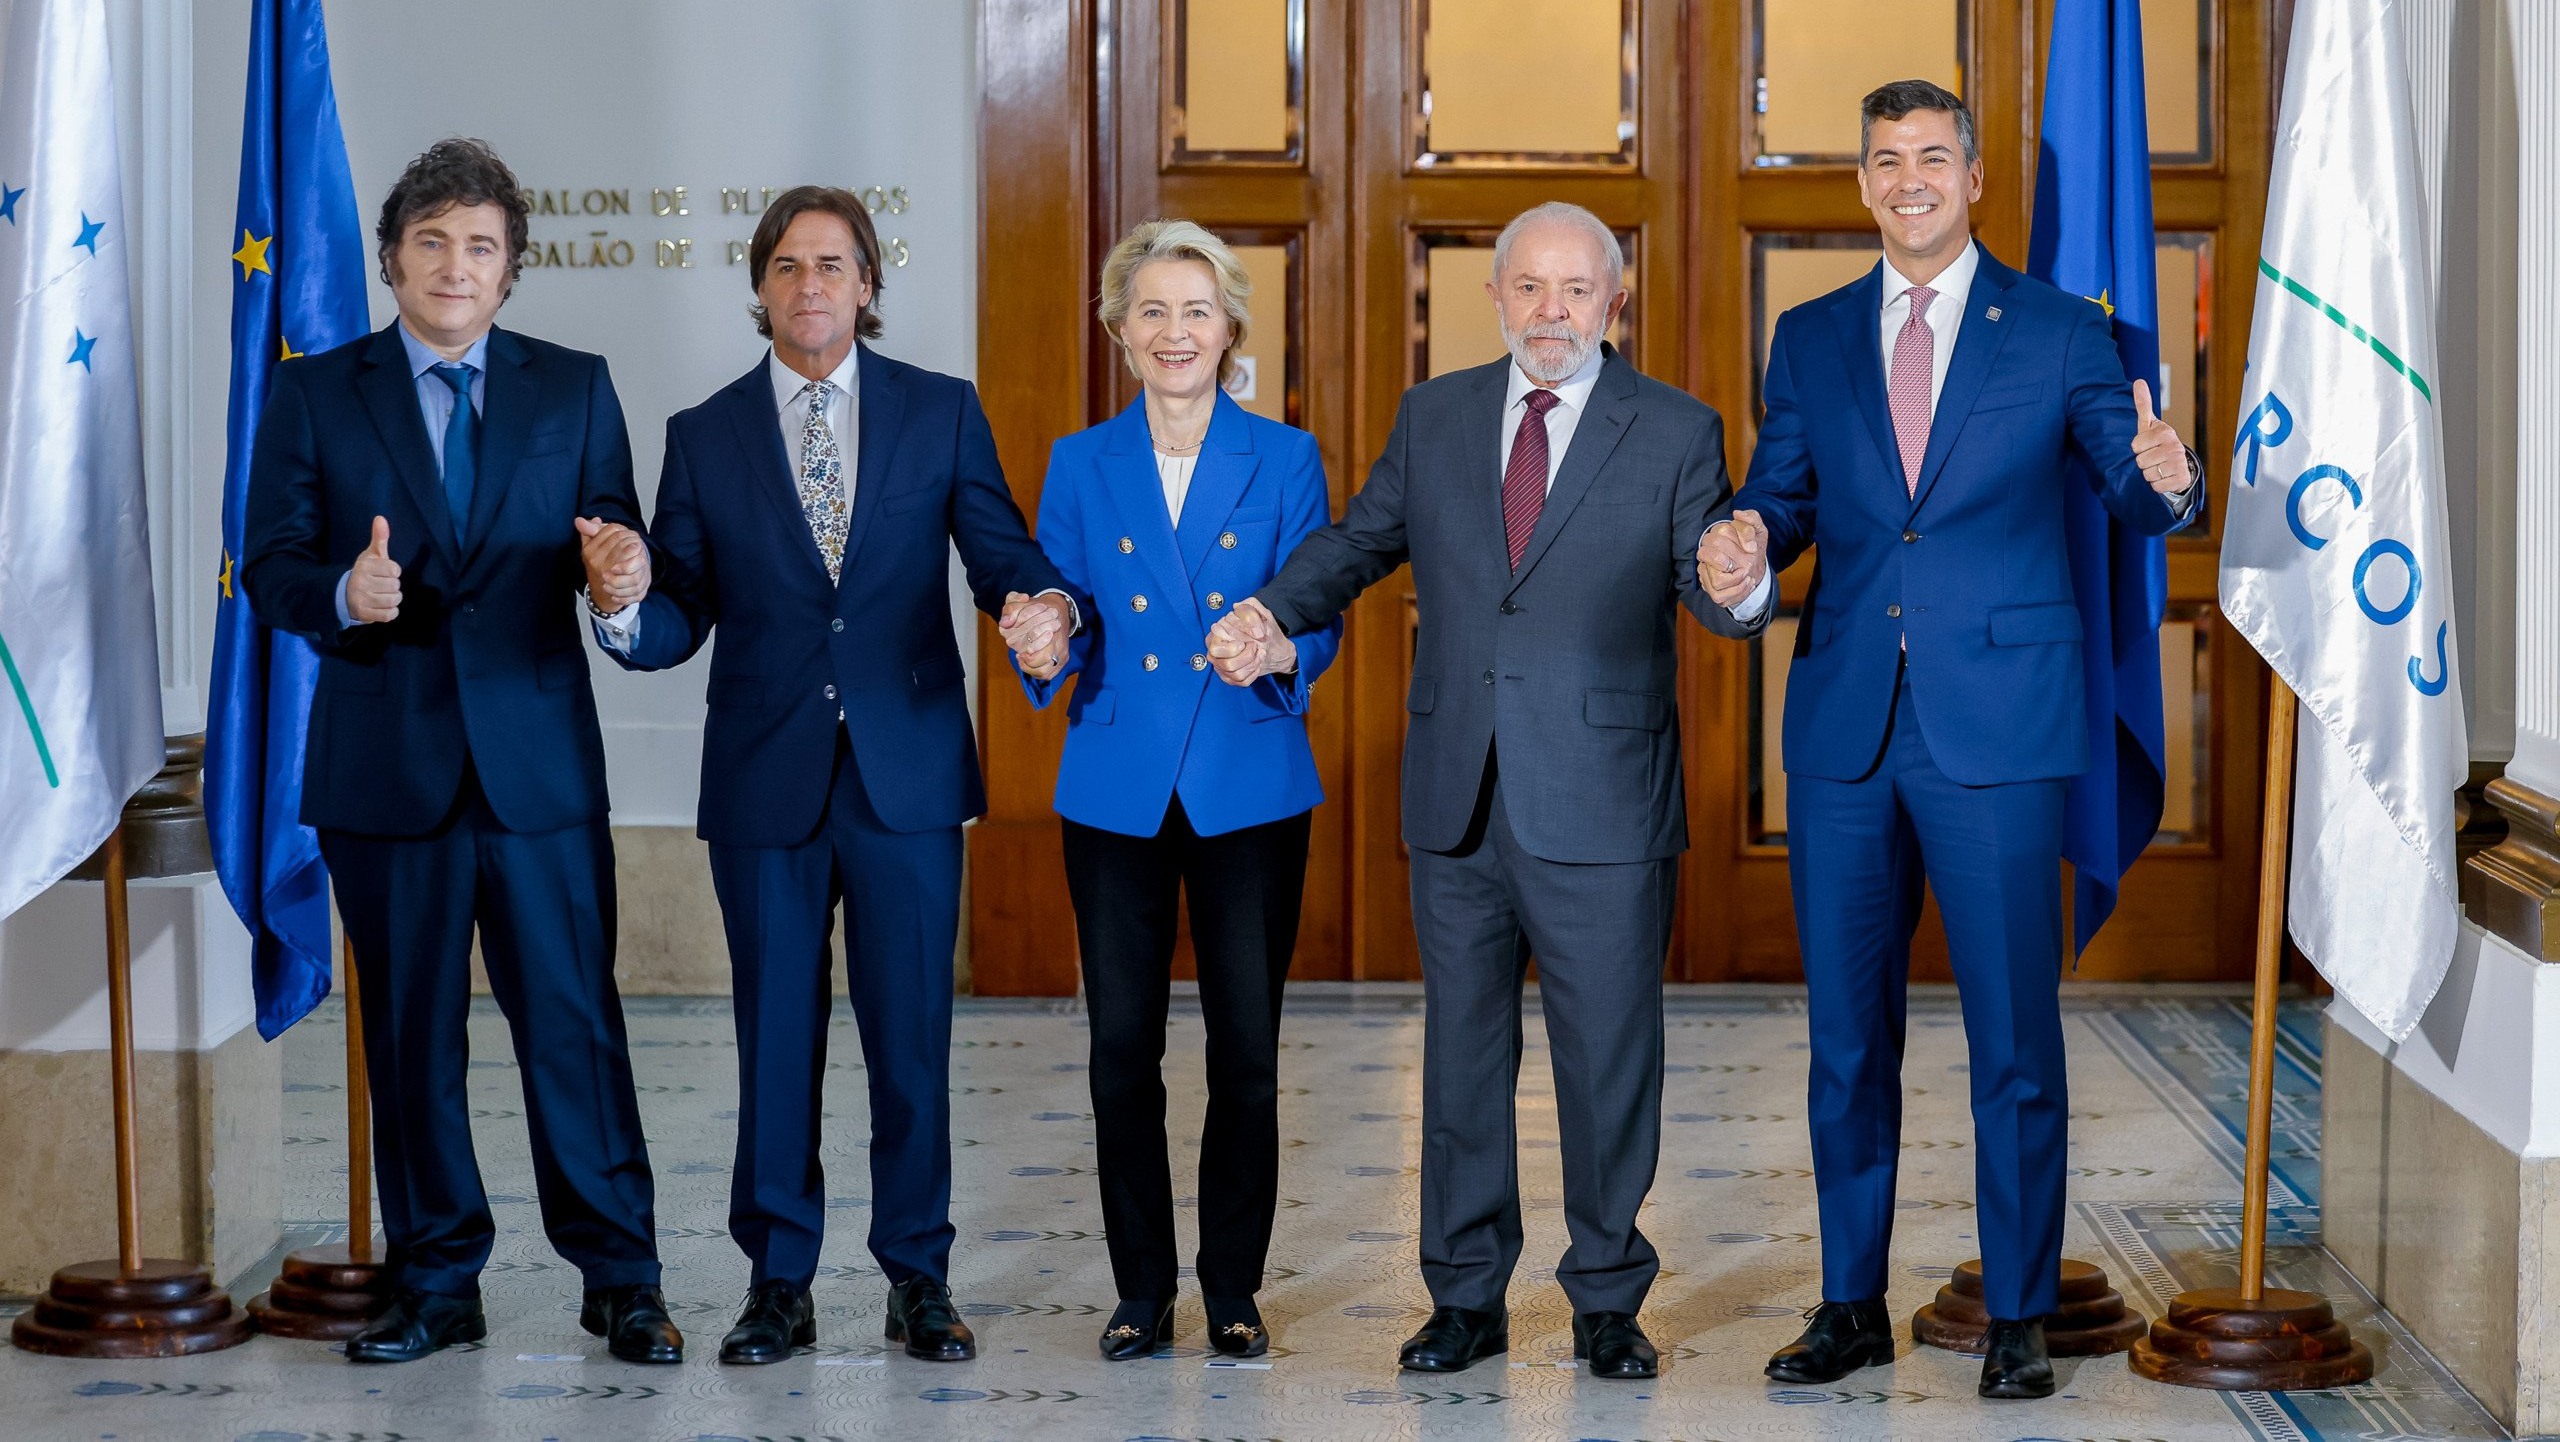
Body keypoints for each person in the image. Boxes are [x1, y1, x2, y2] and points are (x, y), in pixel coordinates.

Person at [1698, 80, 2203, 1400]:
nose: (1908, 178)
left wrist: (2168, 476)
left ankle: (2022, 1309)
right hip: (1848, 727)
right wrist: (1748, 550)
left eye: (1932, 156)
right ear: (1862, 185)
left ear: (1975, 178)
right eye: (1885, 160)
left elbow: (2127, 478)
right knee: (1846, 1037)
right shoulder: (1808, 337)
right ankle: (1849, 1300)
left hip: (2004, 726)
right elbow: (1781, 497)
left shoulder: (2058, 328)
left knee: (2012, 1034)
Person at [1209, 201, 1760, 1381]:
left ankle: (1608, 1298)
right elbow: (1359, 540)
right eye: (1528, 287)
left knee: (1607, 1060)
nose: (1550, 311)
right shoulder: (1436, 413)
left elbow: (1709, 590)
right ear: (1497, 296)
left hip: (1604, 799)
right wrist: (1273, 611)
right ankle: (1463, 1296)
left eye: (1574, 289)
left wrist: (1742, 579)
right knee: (1460, 1059)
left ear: (1614, 300)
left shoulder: (1674, 429)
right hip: (1457, 794)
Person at [592, 185, 1078, 1366]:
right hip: (765, 782)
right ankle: (778, 1282)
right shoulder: (704, 435)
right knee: (773, 1037)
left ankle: (919, 1275)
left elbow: (1003, 559)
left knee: (910, 1040)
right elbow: (683, 612)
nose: (810, 284)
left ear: (868, 286)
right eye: (787, 266)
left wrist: (1045, 611)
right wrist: (620, 605)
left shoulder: (939, 413)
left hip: (906, 775)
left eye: (833, 264)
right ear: (760, 288)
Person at [240, 138, 677, 1366]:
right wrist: (343, 590)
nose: (453, 264)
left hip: (537, 770)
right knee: (414, 1038)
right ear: (392, 258)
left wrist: (621, 573)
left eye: (479, 245)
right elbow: (270, 565)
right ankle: (439, 1282)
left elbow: (618, 537)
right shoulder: (320, 391)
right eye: (430, 240)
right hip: (389, 773)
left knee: (575, 1028)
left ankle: (622, 1277)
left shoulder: (576, 385)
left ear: (510, 271)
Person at [1009, 220, 1340, 1361]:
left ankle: (1234, 1287)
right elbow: (1059, 604)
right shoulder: (1078, 461)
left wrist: (1283, 643)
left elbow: (1319, 606)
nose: (1174, 331)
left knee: (1246, 1051)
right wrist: (1043, 633)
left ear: (1230, 327)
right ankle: (1140, 1287)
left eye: (1195, 309)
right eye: (1150, 310)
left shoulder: (1286, 457)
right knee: (1121, 1051)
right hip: (1116, 784)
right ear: (1118, 329)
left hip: (1246, 781)